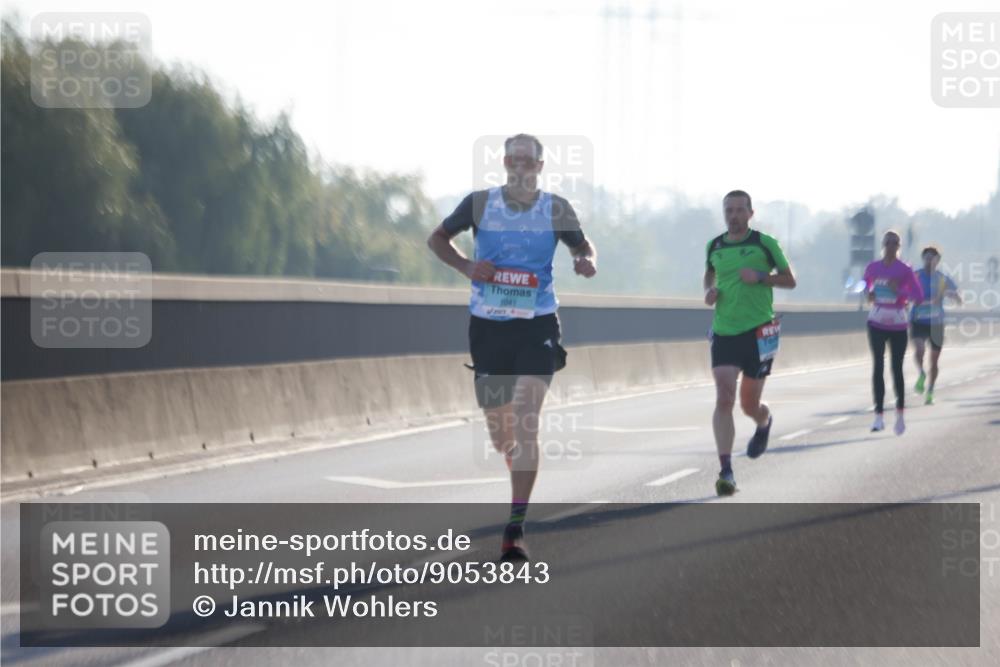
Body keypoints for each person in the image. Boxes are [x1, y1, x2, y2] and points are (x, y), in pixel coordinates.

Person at [427, 133, 597, 560]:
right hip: (488, 327)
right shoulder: (480, 204)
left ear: (540, 166)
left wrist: (585, 261)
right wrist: (467, 266)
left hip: (537, 323)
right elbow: (437, 239)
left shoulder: (554, 208)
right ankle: (516, 473)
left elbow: (584, 246)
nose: (519, 164)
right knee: (502, 435)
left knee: (525, 418)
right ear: (504, 162)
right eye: (512, 158)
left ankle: (515, 526)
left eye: (527, 159)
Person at [704, 190, 796, 496]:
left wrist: (761, 276)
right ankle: (726, 470)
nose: (733, 215)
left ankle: (764, 420)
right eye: (728, 210)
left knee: (748, 405)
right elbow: (710, 277)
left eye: (739, 210)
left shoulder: (764, 243)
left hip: (759, 331)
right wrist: (710, 292)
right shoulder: (714, 246)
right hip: (724, 331)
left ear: (750, 213)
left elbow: (789, 279)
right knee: (724, 398)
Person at [862, 230, 923, 434]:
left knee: (897, 368)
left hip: (897, 323)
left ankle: (900, 415)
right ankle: (878, 416)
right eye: (888, 242)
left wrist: (900, 291)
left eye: (895, 243)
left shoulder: (905, 269)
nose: (891, 246)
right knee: (877, 366)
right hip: (877, 321)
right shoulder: (873, 267)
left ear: (899, 246)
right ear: (883, 244)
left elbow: (918, 296)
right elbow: (865, 286)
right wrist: (868, 293)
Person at [911, 246, 961, 405]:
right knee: (919, 350)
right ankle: (921, 374)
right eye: (926, 257)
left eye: (933, 258)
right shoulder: (916, 276)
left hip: (937, 324)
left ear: (938, 260)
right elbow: (904, 292)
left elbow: (959, 298)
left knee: (934, 361)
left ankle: (931, 390)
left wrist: (951, 295)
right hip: (918, 320)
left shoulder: (943, 279)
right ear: (923, 258)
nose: (929, 260)